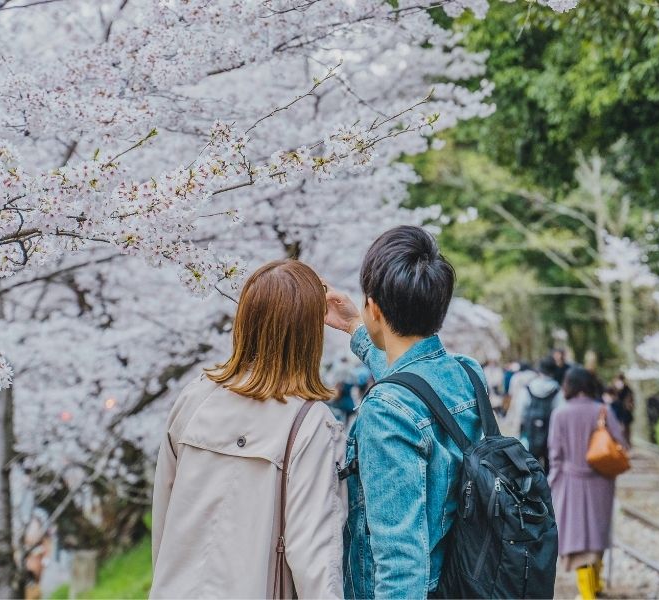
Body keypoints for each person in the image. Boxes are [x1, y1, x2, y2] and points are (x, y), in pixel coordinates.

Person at [150, 260, 347, 599]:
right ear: (310, 334)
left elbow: (164, 520)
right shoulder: (310, 423)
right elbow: (314, 558)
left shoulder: (195, 396)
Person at [324, 225, 485, 599]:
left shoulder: (385, 411)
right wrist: (352, 325)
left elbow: (401, 563)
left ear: (374, 308)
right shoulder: (467, 373)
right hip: (460, 580)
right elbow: (413, 381)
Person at [548, 366, 628, 600]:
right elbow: (620, 442)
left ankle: (586, 594)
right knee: (597, 534)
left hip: (570, 481)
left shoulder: (560, 414)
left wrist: (552, 483)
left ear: (570, 386)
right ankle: (596, 585)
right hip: (601, 482)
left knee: (577, 538)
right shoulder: (603, 410)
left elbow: (555, 455)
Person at [513, 356, 564, 470]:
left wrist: (519, 431)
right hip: (550, 435)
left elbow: (521, 412)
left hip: (530, 432)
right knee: (549, 468)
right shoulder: (557, 391)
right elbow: (560, 413)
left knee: (530, 468)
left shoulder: (528, 388)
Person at [611, 373, 635, 446]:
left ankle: (626, 444)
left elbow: (631, 401)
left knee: (626, 429)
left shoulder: (628, 389)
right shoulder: (613, 389)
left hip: (625, 412)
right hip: (616, 411)